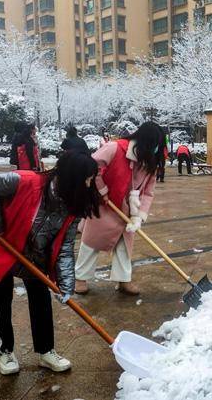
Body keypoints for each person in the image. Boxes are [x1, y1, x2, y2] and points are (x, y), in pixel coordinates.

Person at [0, 152, 100, 375]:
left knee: (41, 300)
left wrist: (66, 284)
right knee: (0, 301)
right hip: (0, 246)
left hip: (34, 255)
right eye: (87, 179)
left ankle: (46, 351)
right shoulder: (27, 181)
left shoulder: (73, 205)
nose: (90, 185)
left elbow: (65, 247)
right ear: (72, 178)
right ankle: (5, 352)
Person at [75, 122, 164, 296]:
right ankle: (80, 278)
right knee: (91, 241)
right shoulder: (115, 148)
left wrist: (139, 217)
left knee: (124, 245)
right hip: (105, 204)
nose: (156, 150)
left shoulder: (151, 162)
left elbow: (147, 193)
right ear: (145, 141)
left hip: (129, 209)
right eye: (154, 145)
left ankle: (123, 280)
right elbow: (91, 167)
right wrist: (102, 191)